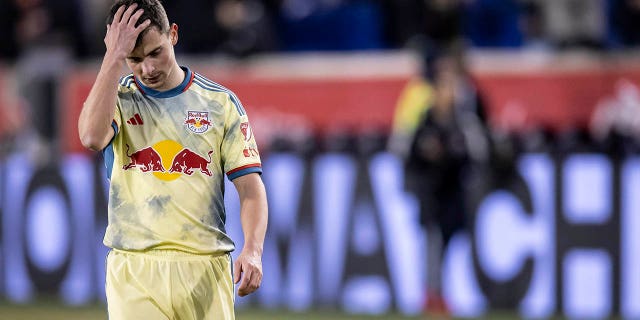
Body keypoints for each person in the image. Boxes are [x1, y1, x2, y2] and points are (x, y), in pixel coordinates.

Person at [77, 0, 268, 319]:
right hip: (135, 268)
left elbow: (250, 188)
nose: (147, 69)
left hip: (205, 268)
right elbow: (92, 138)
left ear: (173, 35)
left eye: (155, 53)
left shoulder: (219, 103)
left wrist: (254, 250)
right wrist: (112, 57)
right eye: (134, 59)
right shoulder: (118, 99)